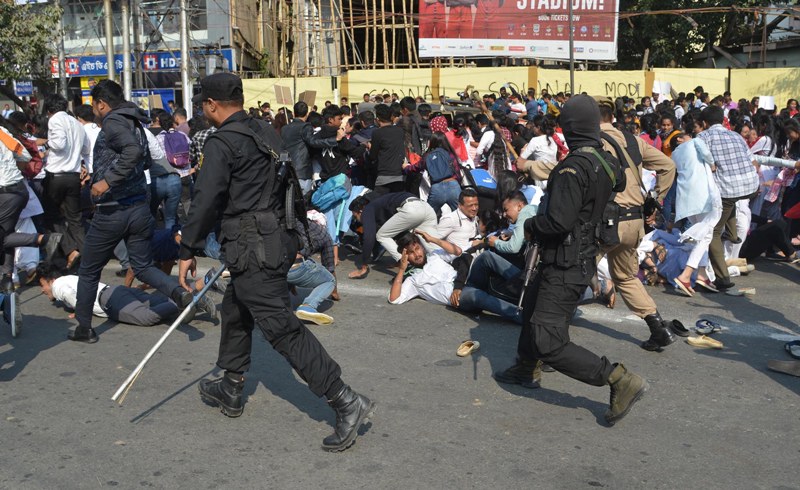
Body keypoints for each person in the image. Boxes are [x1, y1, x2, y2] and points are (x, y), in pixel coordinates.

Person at [178, 73, 374, 452]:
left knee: (282, 329)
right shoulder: (265, 131)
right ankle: (231, 385)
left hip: (253, 245)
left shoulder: (223, 143)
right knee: (236, 307)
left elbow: (205, 200)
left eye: (203, 104)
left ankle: (346, 400)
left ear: (211, 105)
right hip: (276, 239)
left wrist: (187, 250)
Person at [494, 95, 648, 426]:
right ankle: (525, 366)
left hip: (565, 260)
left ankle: (619, 378)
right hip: (579, 254)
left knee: (548, 339)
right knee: (532, 307)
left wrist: (530, 224)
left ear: (570, 129)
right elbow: (619, 182)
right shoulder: (605, 160)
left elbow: (557, 223)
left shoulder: (571, 168)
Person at [70, 80, 194, 343]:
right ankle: (177, 293)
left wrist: (106, 181)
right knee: (142, 266)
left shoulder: (114, 122)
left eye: (95, 106)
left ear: (102, 104)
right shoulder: (136, 121)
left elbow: (134, 152)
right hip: (138, 207)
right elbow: (146, 157)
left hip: (114, 209)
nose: (94, 112)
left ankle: (84, 328)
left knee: (90, 269)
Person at [597, 97, 679, 351]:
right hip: (634, 221)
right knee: (625, 277)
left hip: (607, 221)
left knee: (571, 272)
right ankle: (658, 328)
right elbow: (668, 165)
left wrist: (531, 166)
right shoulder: (632, 140)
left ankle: (551, 338)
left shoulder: (592, 140)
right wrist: (655, 198)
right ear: (612, 116)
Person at [696, 105, 759, 290]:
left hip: (728, 189)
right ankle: (732, 234)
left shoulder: (703, 137)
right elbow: (752, 160)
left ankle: (723, 279)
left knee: (713, 232)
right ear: (724, 120)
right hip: (749, 185)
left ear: (704, 123)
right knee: (731, 200)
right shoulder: (736, 135)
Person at [37, 262, 215, 327]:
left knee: (146, 317)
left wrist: (80, 309)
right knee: (158, 301)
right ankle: (202, 283)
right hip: (116, 292)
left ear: (49, 279)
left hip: (110, 301)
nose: (42, 290)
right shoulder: (71, 277)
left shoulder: (59, 284)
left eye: (42, 285)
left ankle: (190, 302)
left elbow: (69, 294)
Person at [37, 94, 86, 270]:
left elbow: (58, 144)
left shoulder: (55, 119)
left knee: (52, 217)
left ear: (49, 110)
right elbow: (86, 148)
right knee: (75, 218)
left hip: (56, 175)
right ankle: (85, 256)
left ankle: (70, 250)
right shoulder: (76, 123)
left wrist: (45, 142)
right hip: (73, 176)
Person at [348, 192, 441, 278]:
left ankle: (406, 265)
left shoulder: (367, 209)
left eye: (355, 216)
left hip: (411, 209)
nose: (357, 220)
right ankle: (445, 267)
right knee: (435, 249)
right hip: (425, 207)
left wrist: (364, 265)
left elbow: (369, 238)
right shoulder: (381, 202)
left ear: (361, 211)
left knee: (382, 235)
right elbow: (400, 233)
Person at [280, 101, 340, 195]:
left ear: (293, 113)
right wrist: (335, 140)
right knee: (303, 203)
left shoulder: (284, 128)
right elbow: (313, 142)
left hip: (286, 169)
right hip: (302, 171)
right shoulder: (305, 127)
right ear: (307, 114)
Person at [290, 217, 338, 325]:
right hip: (294, 266)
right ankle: (308, 306)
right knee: (329, 281)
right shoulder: (324, 234)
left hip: (274, 266)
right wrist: (334, 293)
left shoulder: (293, 221)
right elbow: (330, 268)